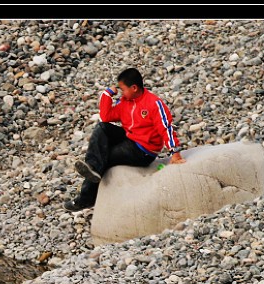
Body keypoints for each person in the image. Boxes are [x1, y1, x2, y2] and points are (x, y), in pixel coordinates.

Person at [65, 67, 186, 212]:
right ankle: (92, 168)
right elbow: (106, 116)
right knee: (102, 128)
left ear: (134, 88)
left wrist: (175, 152)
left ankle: (85, 200)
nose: (121, 92)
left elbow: (166, 127)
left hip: (143, 150)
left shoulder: (153, 104)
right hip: (129, 138)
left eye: (123, 89)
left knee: (105, 157)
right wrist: (107, 94)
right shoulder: (125, 103)